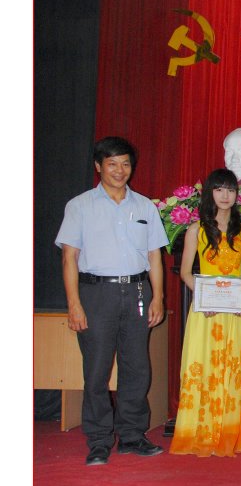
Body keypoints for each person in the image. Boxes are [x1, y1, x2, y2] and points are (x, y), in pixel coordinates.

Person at [55, 136, 167, 466]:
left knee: (137, 367)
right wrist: (74, 303)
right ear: (98, 167)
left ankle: (132, 435)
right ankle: (99, 439)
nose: (120, 170)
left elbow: (155, 256)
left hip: (137, 292)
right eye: (112, 164)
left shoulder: (145, 207)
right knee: (97, 370)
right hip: (96, 293)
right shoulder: (80, 206)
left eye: (125, 164)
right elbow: (69, 258)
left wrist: (158, 297)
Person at [170, 168, 241, 457]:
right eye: (219, 189)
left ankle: (233, 432)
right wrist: (206, 298)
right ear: (210, 193)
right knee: (205, 367)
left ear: (237, 195)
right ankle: (202, 431)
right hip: (206, 313)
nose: (225, 195)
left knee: (235, 370)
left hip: (236, 314)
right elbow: (185, 273)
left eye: (230, 190)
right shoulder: (196, 230)